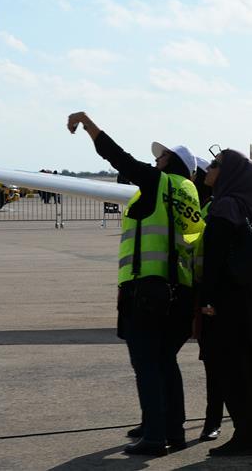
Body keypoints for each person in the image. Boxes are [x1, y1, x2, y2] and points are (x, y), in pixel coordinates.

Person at [66, 111, 201, 457]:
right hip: (180, 291)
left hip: (148, 290)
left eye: (161, 156)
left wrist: (87, 123)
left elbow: (118, 158)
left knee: (147, 364)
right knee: (165, 362)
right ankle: (174, 429)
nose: (155, 161)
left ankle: (155, 435)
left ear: (172, 163)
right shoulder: (189, 193)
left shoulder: (157, 184)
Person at [198, 149, 252, 456]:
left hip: (229, 298)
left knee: (231, 367)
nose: (209, 169)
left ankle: (244, 435)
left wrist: (206, 299)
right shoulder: (246, 207)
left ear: (228, 174)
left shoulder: (224, 206)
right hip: (251, 296)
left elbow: (213, 260)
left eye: (215, 165)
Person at [188, 156, 224, 444]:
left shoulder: (216, 208)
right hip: (191, 290)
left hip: (211, 296)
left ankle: (214, 419)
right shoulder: (194, 207)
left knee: (214, 361)